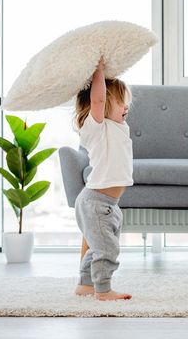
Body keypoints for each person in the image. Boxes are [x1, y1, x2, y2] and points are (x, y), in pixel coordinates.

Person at [73, 59, 133, 301]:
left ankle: (85, 285)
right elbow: (97, 99)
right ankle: (103, 290)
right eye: (121, 101)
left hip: (109, 205)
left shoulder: (119, 126)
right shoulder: (95, 128)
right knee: (107, 250)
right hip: (96, 202)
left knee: (98, 247)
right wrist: (98, 70)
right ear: (104, 103)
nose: (126, 106)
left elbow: (104, 102)